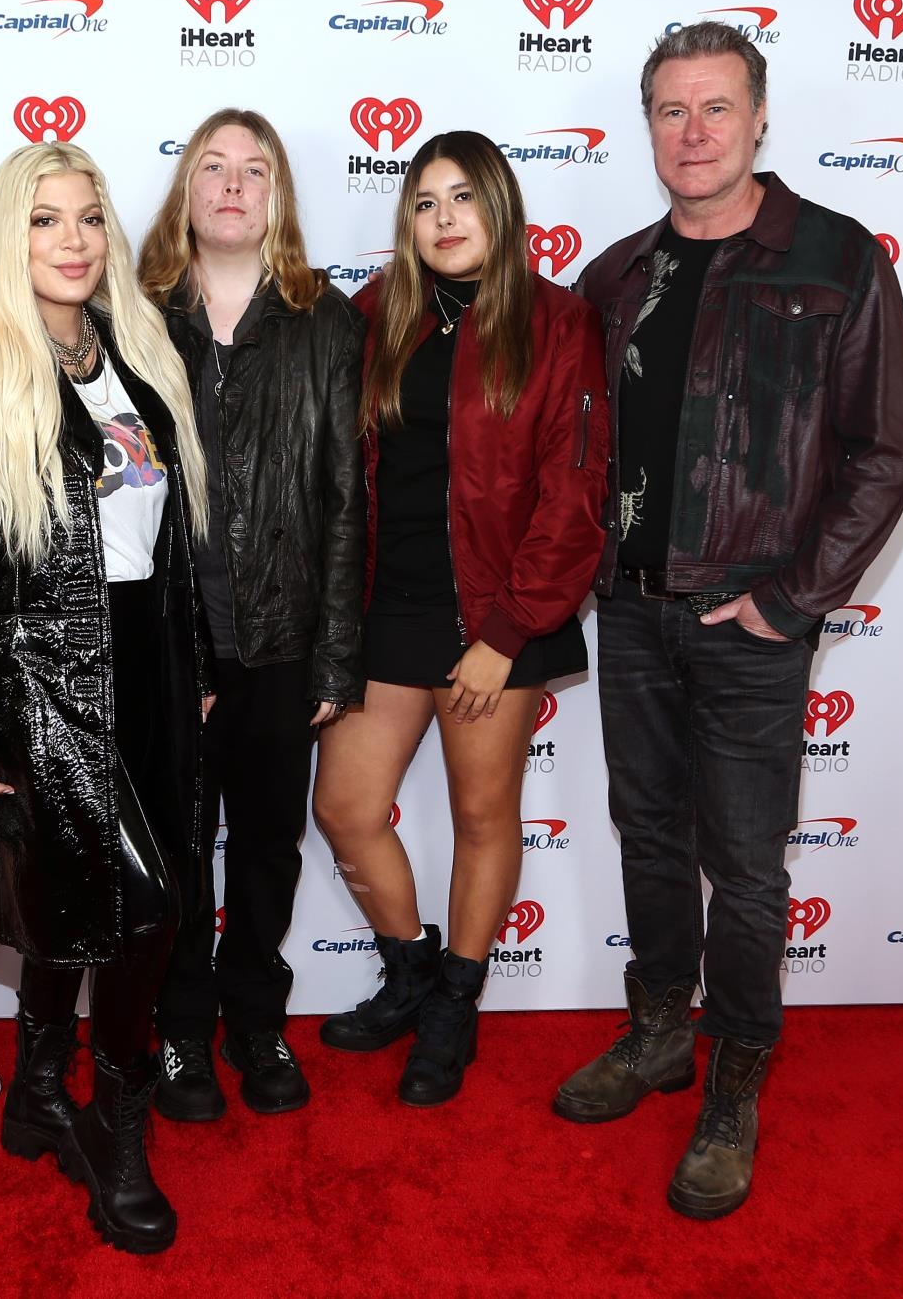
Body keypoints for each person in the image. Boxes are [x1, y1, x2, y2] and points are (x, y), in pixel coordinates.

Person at [557, 22, 903, 1219]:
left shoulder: (835, 258)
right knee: (650, 837)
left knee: (748, 868)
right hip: (632, 612)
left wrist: (792, 599)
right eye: (671, 110)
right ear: (646, 124)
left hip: (748, 619)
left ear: (760, 118)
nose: (694, 132)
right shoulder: (616, 276)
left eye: (716, 108)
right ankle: (660, 1029)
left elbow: (881, 451)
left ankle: (737, 1077)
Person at [0, 142, 211, 1254]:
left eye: (90, 217)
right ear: (10, 236)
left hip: (151, 663)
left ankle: (38, 1088)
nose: (75, 239)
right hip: (42, 673)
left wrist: (201, 664)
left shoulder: (137, 353)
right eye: (46, 220)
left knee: (80, 892)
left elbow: (169, 542)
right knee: (141, 907)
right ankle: (115, 1134)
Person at [311, 130, 610, 1108]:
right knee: (347, 810)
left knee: (484, 818)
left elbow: (576, 497)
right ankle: (412, 973)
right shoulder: (373, 317)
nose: (443, 220)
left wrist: (507, 635)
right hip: (389, 608)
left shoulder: (559, 322)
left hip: (495, 617)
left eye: (463, 199)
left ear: (501, 211)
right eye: (426, 203)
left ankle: (459, 1004)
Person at [137, 108, 365, 1121]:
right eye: (213, 168)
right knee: (180, 851)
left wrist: (332, 664)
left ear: (277, 194)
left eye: (254, 170)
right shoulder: (130, 315)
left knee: (268, 846)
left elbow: (348, 500)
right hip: (171, 647)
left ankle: (255, 1018)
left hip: (281, 642)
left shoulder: (328, 319)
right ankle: (182, 1030)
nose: (233, 185)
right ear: (187, 189)